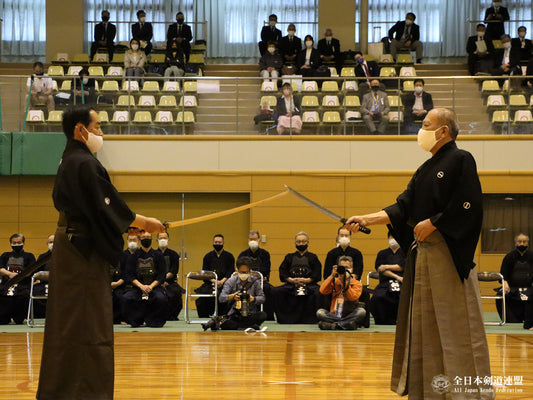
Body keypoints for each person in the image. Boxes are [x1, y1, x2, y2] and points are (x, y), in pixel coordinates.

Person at [346, 107, 494, 398]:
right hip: (423, 256)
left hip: (448, 254)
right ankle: (430, 390)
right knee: (424, 323)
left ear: (443, 131)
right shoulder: (426, 168)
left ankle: (467, 392)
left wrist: (436, 223)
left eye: (426, 124)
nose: (421, 129)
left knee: (456, 324)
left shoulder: (461, 159)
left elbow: (470, 205)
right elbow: (402, 208)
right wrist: (366, 219)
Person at [36, 105, 165, 400]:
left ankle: (68, 390)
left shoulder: (71, 160)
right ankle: (83, 392)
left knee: (75, 322)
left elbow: (95, 210)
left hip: (75, 244)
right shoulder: (82, 162)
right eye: (97, 127)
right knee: (86, 322)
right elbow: (109, 206)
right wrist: (145, 223)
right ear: (80, 129)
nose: (101, 132)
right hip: (80, 253)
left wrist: (122, 226)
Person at [271, 231, 321, 324]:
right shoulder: (289, 257)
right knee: (276, 291)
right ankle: (285, 319)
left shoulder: (313, 257)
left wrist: (307, 280)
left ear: (308, 243)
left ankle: (313, 319)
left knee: (319, 292)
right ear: (295, 243)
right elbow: (283, 271)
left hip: (309, 285)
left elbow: (317, 272)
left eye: (303, 241)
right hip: (291, 285)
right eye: (298, 242)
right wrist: (291, 280)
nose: (301, 244)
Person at [122, 231, 168, 328]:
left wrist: (151, 286)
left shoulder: (158, 255)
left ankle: (154, 321)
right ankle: (136, 321)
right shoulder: (133, 256)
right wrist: (141, 286)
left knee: (161, 298)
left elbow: (161, 274)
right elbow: (129, 275)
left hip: (155, 287)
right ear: (139, 239)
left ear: (151, 239)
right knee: (127, 298)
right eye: (143, 237)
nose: (146, 239)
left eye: (148, 237)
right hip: (137, 287)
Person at [214, 257, 267, 331]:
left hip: (250, 313)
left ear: (250, 271)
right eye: (242, 272)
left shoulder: (255, 281)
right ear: (237, 270)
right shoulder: (231, 281)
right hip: (235, 315)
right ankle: (249, 327)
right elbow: (221, 298)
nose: (244, 274)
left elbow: (262, 298)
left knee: (263, 315)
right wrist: (231, 296)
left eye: (246, 272)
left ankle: (240, 327)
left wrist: (253, 299)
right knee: (224, 322)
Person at [316, 256, 366, 330]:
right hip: (335, 314)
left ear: (351, 269)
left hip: (350, 314)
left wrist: (344, 282)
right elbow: (322, 290)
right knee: (320, 312)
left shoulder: (357, 283)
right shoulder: (335, 281)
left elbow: (353, 297)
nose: (344, 270)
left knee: (361, 312)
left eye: (347, 267)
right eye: (342, 267)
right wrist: (332, 275)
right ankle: (346, 324)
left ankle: (333, 325)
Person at [368, 233, 405, 325]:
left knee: (402, 296)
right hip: (385, 282)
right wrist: (396, 276)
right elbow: (380, 269)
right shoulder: (382, 253)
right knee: (377, 297)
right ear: (388, 238)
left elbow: (402, 267)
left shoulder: (405, 252)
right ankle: (382, 320)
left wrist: (387, 266)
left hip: (402, 282)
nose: (394, 239)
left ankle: (401, 320)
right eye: (392, 237)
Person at [496, 233, 533, 324]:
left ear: (528, 243)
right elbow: (503, 275)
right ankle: (511, 320)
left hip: (529, 287)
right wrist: (505, 283)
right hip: (513, 288)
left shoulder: (532, 256)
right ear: (516, 243)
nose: (522, 244)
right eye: (519, 241)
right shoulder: (509, 257)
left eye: (524, 242)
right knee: (500, 294)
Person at [195, 234, 235, 318]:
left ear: (223, 243)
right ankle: (205, 316)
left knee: (224, 295)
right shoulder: (207, 256)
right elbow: (205, 272)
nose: (217, 244)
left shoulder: (229, 256)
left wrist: (221, 281)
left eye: (219, 242)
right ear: (213, 243)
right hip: (210, 283)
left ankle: (222, 315)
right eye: (216, 242)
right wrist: (214, 281)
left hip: (225, 283)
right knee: (203, 296)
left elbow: (231, 271)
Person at [0, 233, 36, 324]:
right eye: (14, 243)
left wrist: (18, 276)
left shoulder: (29, 256)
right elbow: (1, 268)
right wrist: (10, 274)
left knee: (19, 318)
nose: (16, 245)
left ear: (23, 243)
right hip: (6, 285)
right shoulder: (5, 255)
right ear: (10, 244)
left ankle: (19, 317)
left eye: (19, 242)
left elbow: (31, 270)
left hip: (23, 285)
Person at [238, 230, 273, 319]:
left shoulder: (265, 254)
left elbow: (266, 270)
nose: (253, 241)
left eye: (255, 239)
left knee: (269, 289)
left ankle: (267, 315)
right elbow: (239, 269)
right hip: (245, 282)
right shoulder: (243, 254)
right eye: (251, 239)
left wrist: (257, 277)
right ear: (248, 240)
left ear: (259, 240)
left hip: (261, 281)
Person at [156, 231, 184, 320]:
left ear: (169, 240)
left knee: (175, 292)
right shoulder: (153, 254)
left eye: (164, 238)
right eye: (160, 238)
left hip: (170, 282)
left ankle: (172, 316)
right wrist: (160, 281)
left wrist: (164, 279)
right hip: (155, 282)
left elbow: (173, 270)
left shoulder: (174, 254)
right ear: (157, 240)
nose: (162, 240)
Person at [112, 233, 139, 324]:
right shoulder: (122, 255)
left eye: (134, 240)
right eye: (130, 240)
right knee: (118, 296)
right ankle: (120, 319)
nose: (132, 242)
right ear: (127, 241)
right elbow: (122, 271)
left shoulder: (141, 254)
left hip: (138, 284)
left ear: (138, 241)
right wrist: (117, 283)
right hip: (123, 284)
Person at [32, 235, 55, 319]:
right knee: (34, 291)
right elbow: (36, 272)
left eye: (55, 242)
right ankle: (39, 316)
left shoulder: (66, 256)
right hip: (43, 283)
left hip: (60, 284)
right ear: (47, 243)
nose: (53, 244)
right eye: (50, 242)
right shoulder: (42, 257)